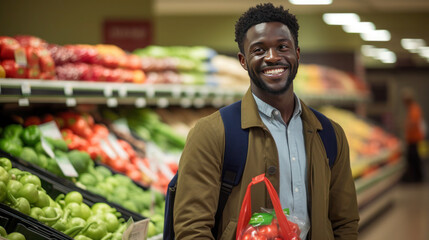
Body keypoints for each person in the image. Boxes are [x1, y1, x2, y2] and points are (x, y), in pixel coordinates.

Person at [173, 3, 359, 240]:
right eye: (259, 50)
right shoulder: (211, 132)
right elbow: (192, 228)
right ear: (243, 60)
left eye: (282, 47)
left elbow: (345, 222)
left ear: (297, 54)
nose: (272, 57)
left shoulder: (329, 134)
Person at [402, 88, 425, 182]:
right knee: (413, 159)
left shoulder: (414, 109)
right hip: (412, 139)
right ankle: (415, 177)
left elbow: (414, 122)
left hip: (415, 140)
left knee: (415, 159)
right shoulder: (411, 109)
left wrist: (407, 125)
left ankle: (417, 178)